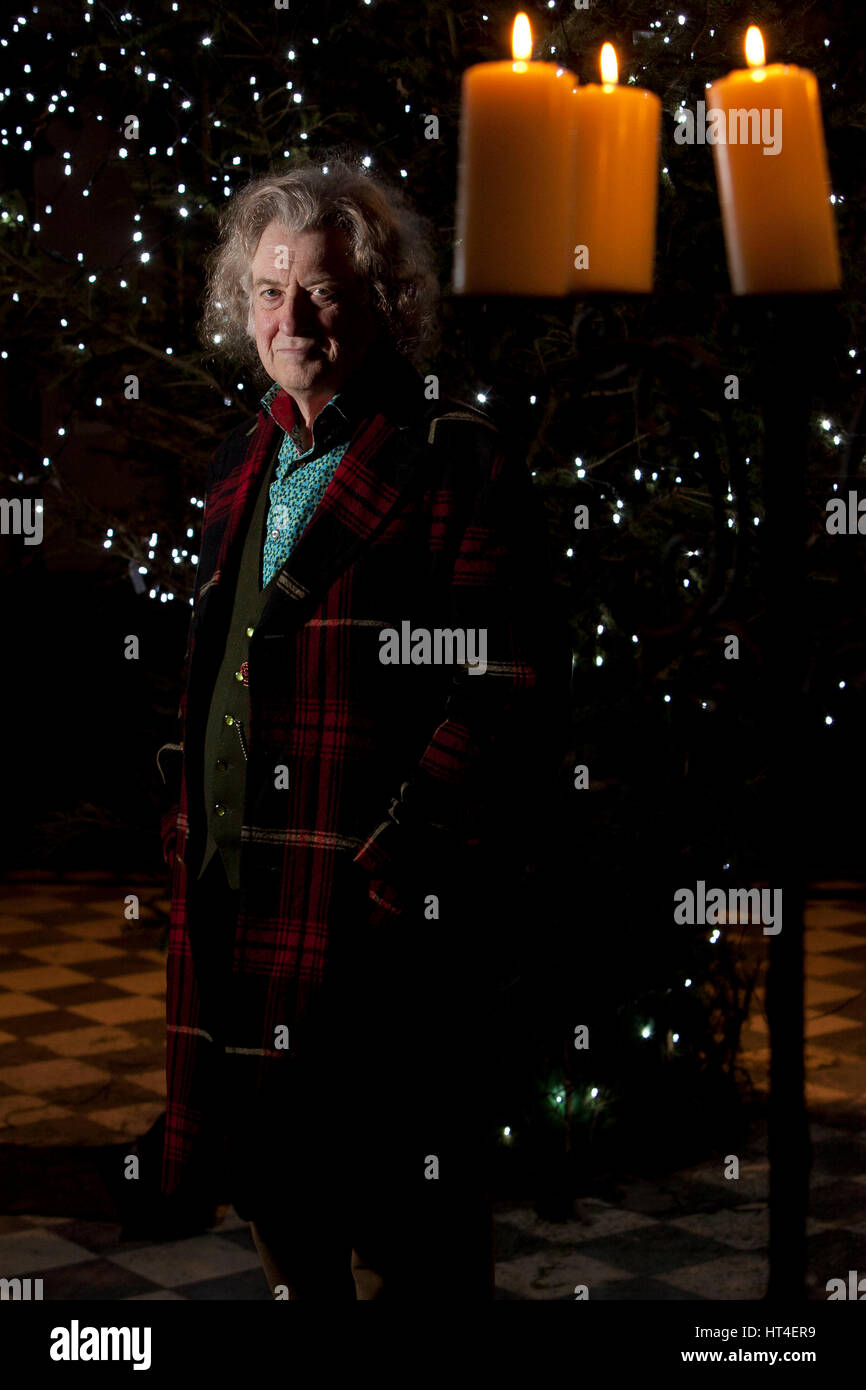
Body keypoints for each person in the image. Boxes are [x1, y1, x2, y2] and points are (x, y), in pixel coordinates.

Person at [156, 156, 567, 1300]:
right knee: (273, 1185)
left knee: (409, 1219)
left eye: (324, 292)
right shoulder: (240, 461)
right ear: (242, 304)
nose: (292, 318)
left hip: (374, 910)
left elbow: (505, 681)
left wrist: (402, 860)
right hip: (239, 888)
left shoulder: (453, 458)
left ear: (380, 301)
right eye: (269, 290)